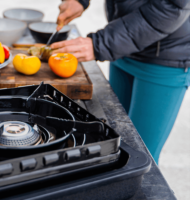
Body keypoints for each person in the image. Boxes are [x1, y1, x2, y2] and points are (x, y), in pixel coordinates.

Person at [51, 0, 190, 164]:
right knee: (115, 145)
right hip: (123, 46)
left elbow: (173, 5)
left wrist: (102, 43)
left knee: (141, 159)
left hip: (165, 58)